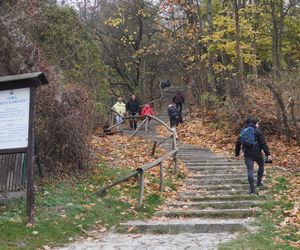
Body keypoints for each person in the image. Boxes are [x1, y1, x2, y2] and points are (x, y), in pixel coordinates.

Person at [235, 117, 272, 195]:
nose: (258, 125)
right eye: (257, 123)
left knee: (250, 170)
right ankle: (258, 183)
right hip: (258, 154)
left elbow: (238, 143)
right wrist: (268, 154)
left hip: (247, 154)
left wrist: (237, 154)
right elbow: (263, 144)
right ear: (255, 124)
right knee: (261, 166)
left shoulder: (243, 132)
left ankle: (252, 190)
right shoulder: (258, 131)